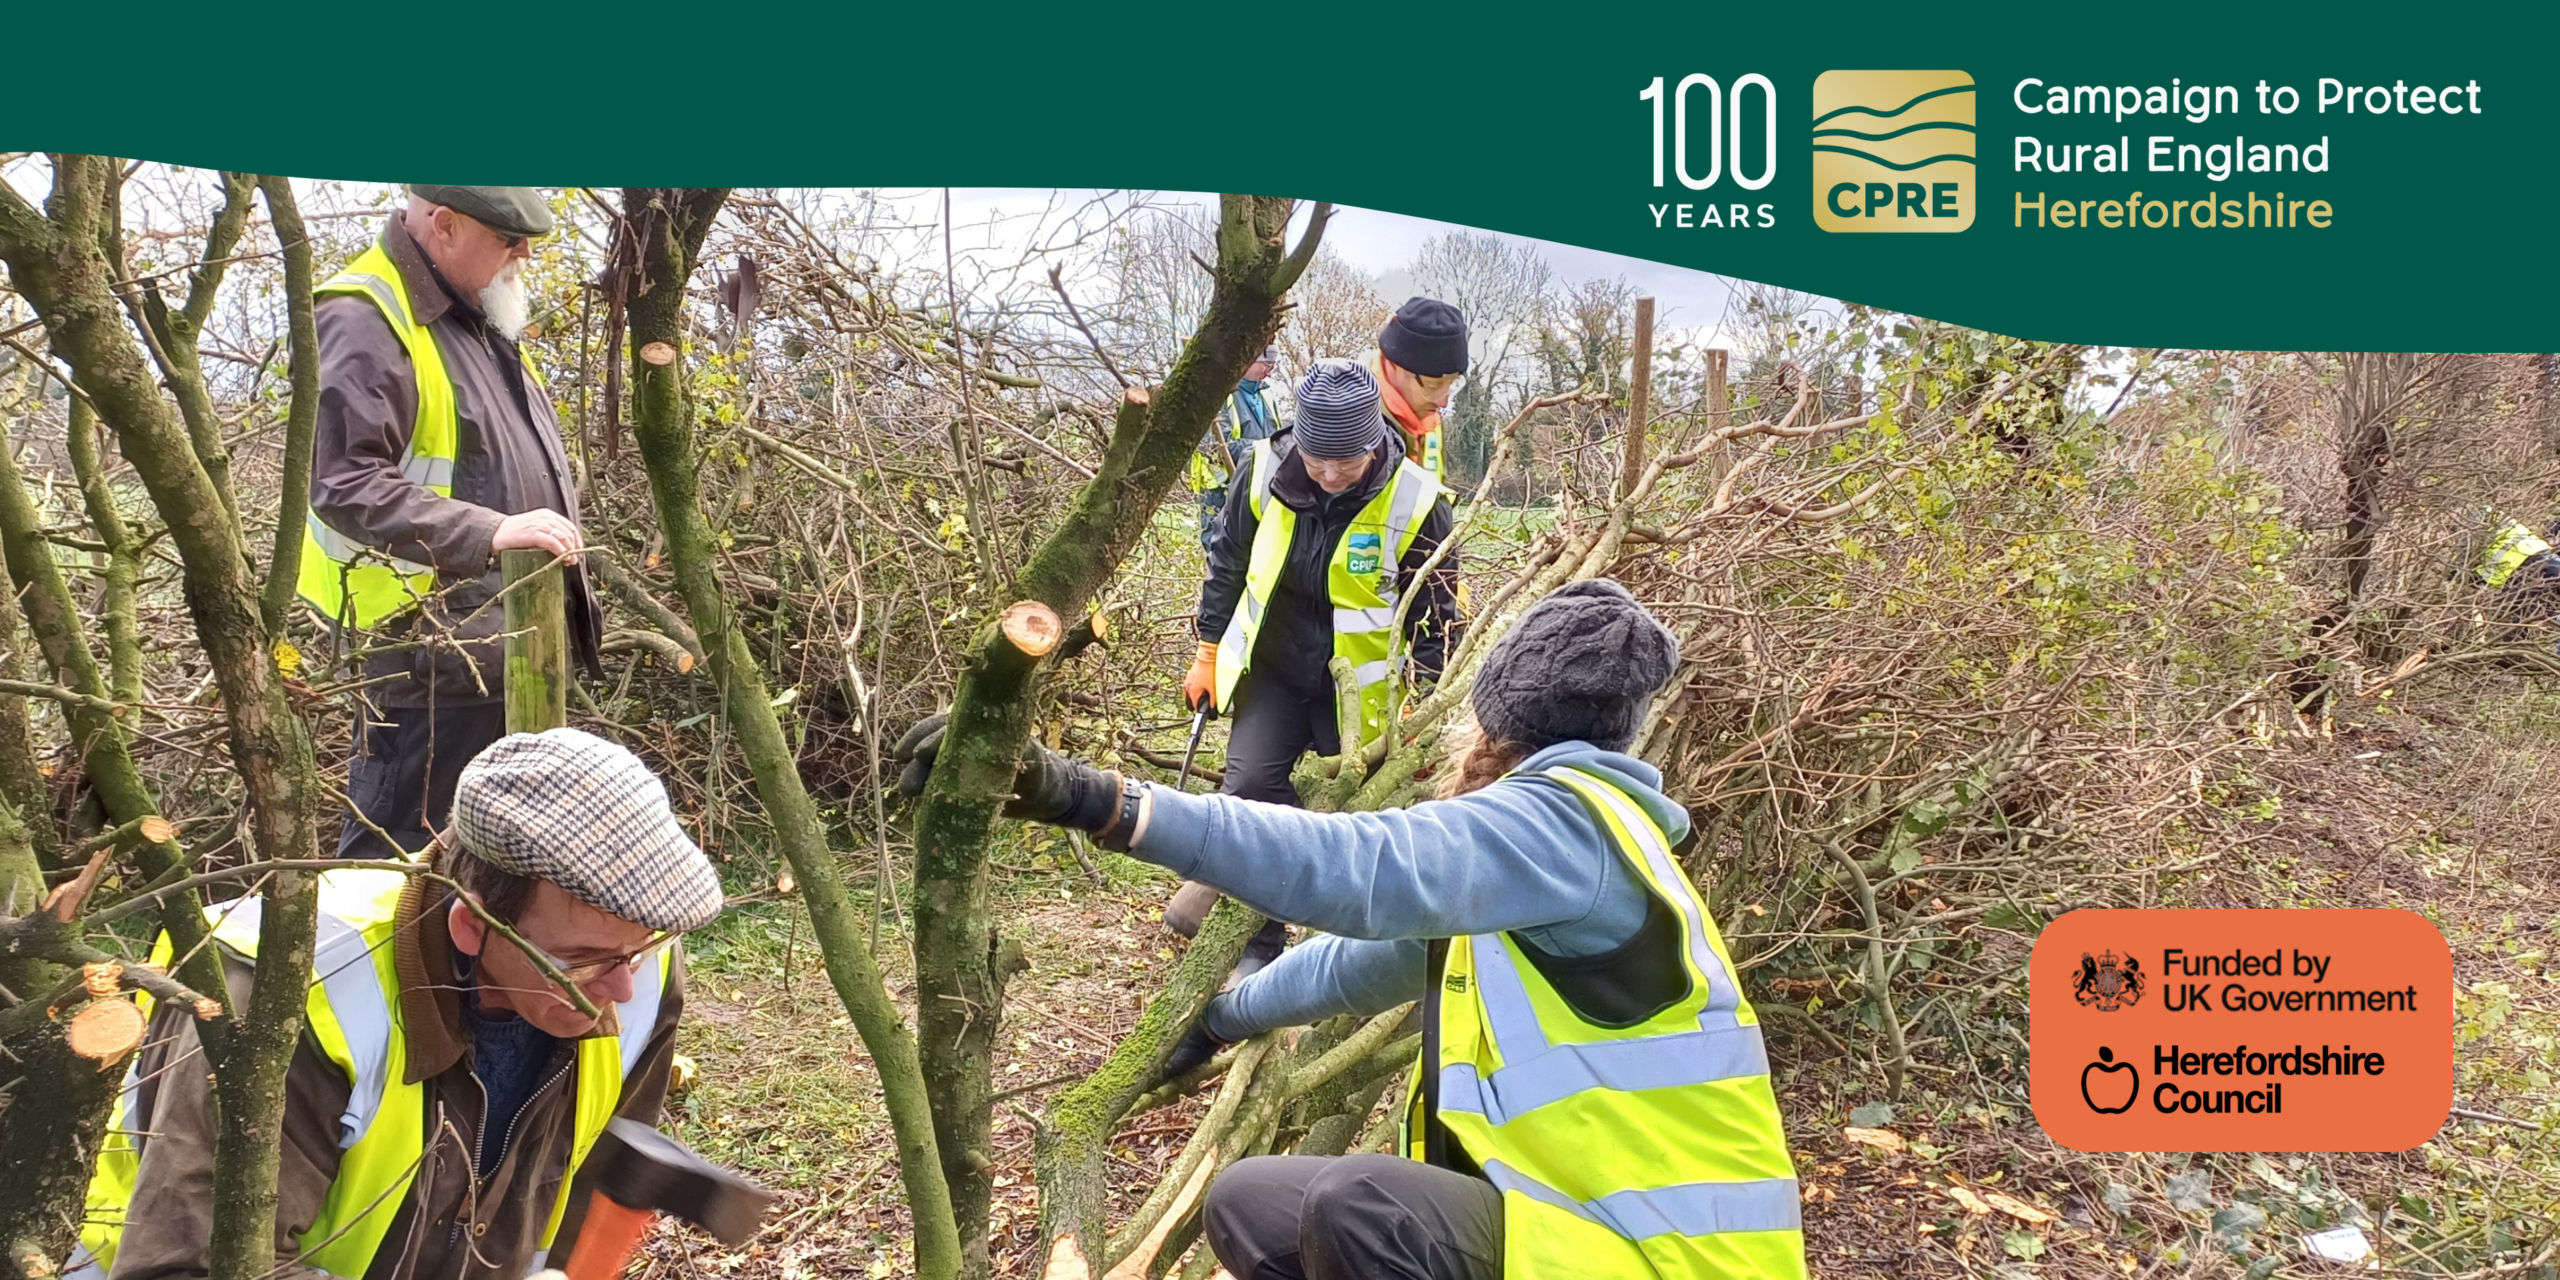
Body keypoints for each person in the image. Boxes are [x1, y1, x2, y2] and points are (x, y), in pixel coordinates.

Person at [893, 581, 1805, 1279]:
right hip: (1566, 1223)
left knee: (1365, 1205)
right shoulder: (1546, 863)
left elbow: (1354, 871)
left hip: (1664, 1258)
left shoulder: (1573, 829)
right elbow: (1362, 962)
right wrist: (1217, 1021)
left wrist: (1095, 799)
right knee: (1253, 1202)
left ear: (1500, 717)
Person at [72, 729, 724, 1280]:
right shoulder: (290, 991)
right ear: (472, 923)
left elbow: (597, 1180)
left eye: (638, 950)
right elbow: (194, 1264)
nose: (621, 989)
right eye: (579, 962)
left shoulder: (630, 954)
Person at [303, 183, 603, 860]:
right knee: (402, 873)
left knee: (488, 882)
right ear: (442, 224)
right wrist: (488, 533)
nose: (524, 254)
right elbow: (343, 482)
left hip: (503, 654)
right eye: (507, 238)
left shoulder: (471, 309)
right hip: (431, 666)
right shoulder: (366, 316)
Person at [1170, 358, 1460, 972]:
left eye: (1344, 463)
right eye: (1315, 459)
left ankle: (1344, 953)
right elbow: (1227, 564)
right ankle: (1258, 944)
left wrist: (1426, 705)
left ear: (1372, 446)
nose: (1328, 474)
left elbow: (1438, 618)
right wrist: (1206, 649)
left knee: (1355, 815)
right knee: (1249, 792)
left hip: (1356, 692)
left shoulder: (1416, 501)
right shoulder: (1260, 470)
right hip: (1272, 668)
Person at [1190, 346, 1284, 549]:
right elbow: (1216, 446)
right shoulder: (1218, 395)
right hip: (1221, 491)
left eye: (1273, 366)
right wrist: (1268, 447)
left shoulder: (1266, 396)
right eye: (1266, 365)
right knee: (1220, 552)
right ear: (1247, 360)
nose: (1269, 372)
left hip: (1258, 485)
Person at [1365, 297, 1470, 478]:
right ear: (1394, 366)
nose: (1443, 402)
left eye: (1452, 384)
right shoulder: (1350, 421)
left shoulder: (1429, 420)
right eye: (1433, 386)